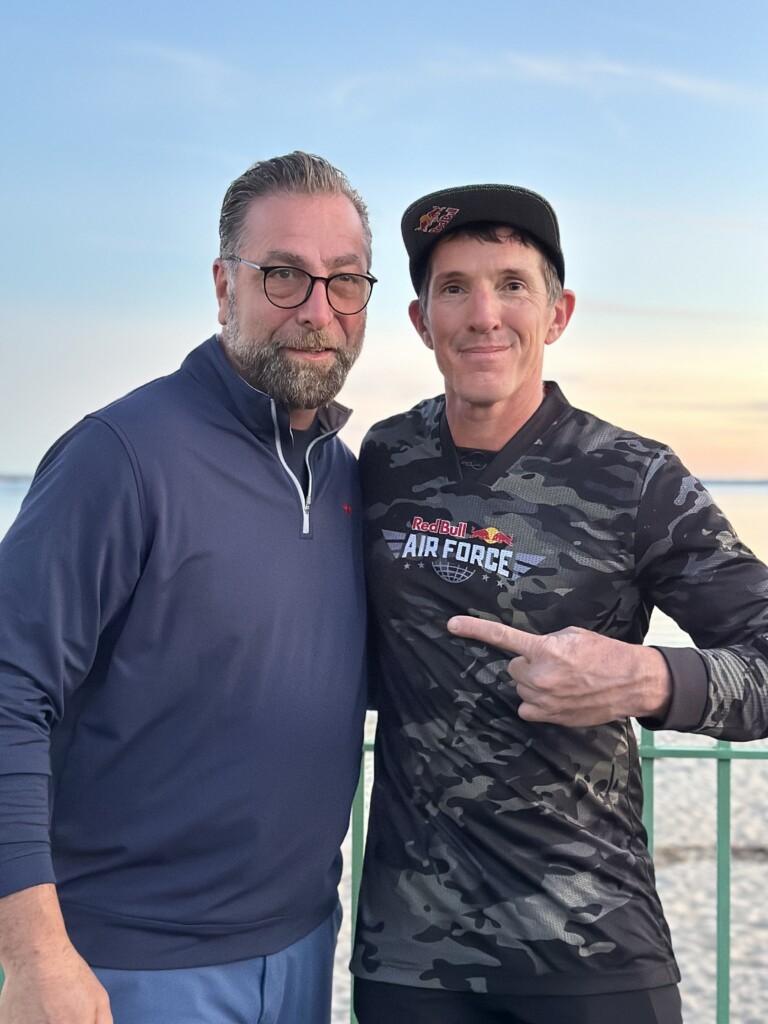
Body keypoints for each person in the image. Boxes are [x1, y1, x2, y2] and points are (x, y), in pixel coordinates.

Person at [351, 183, 768, 1024]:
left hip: (592, 962)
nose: (482, 315)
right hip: (409, 964)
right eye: (454, 288)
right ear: (420, 319)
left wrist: (647, 679)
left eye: (512, 284)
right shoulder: (384, 459)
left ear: (558, 311)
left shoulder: (636, 477)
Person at [0, 151, 374, 1024]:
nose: (317, 311)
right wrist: (35, 953)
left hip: (308, 948)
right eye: (284, 276)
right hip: (131, 968)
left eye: (344, 281)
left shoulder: (349, 480)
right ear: (223, 285)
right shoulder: (121, 456)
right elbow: (9, 690)